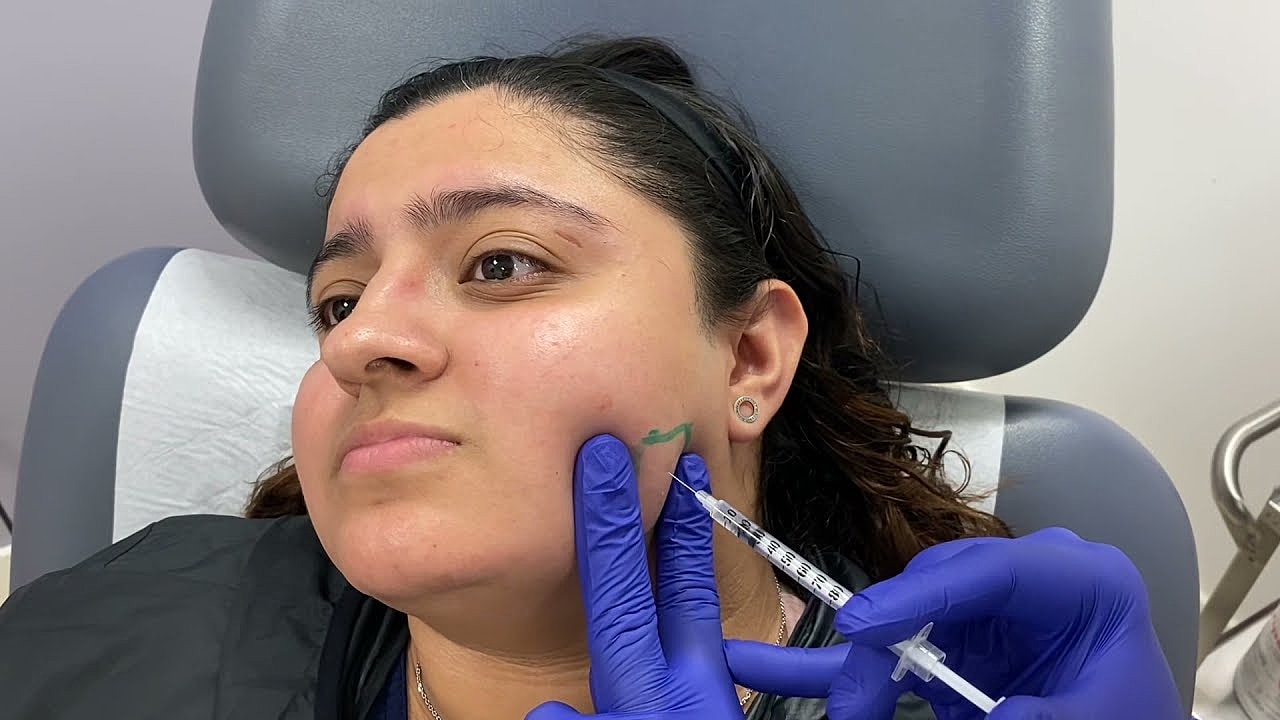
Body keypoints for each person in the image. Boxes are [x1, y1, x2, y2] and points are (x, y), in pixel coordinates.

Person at [0, 37, 1181, 720]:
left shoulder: (964, 698)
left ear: (749, 357)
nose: (358, 344)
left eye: (501, 261)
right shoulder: (119, 627)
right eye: (337, 301)